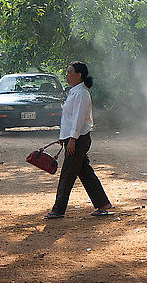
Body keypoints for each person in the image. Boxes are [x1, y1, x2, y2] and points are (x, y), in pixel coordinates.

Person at [44, 62, 113, 219]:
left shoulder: (81, 93)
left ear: (79, 75)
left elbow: (79, 119)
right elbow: (68, 118)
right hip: (73, 138)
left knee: (67, 174)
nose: (67, 75)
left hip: (79, 139)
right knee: (85, 172)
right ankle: (103, 204)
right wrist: (64, 137)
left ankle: (58, 209)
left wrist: (72, 139)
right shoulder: (74, 91)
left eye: (69, 72)